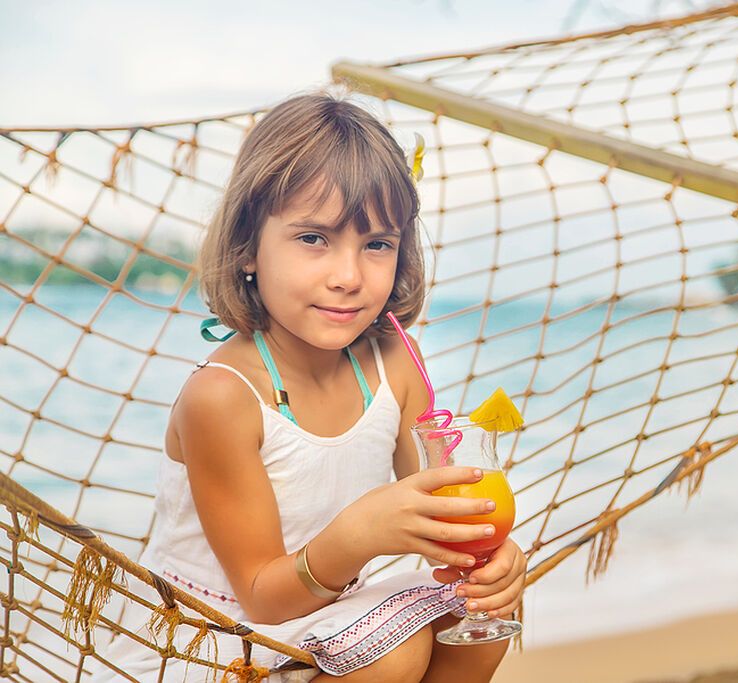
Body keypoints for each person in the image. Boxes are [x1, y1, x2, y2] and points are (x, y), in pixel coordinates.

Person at [95, 92, 526, 682]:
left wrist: (490, 558)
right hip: (204, 642)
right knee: (392, 653)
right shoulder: (221, 398)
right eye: (313, 239)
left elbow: (439, 512)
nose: (348, 277)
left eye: (377, 245)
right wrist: (357, 534)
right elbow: (262, 597)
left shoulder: (392, 359)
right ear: (249, 249)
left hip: (315, 621)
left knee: (476, 616)